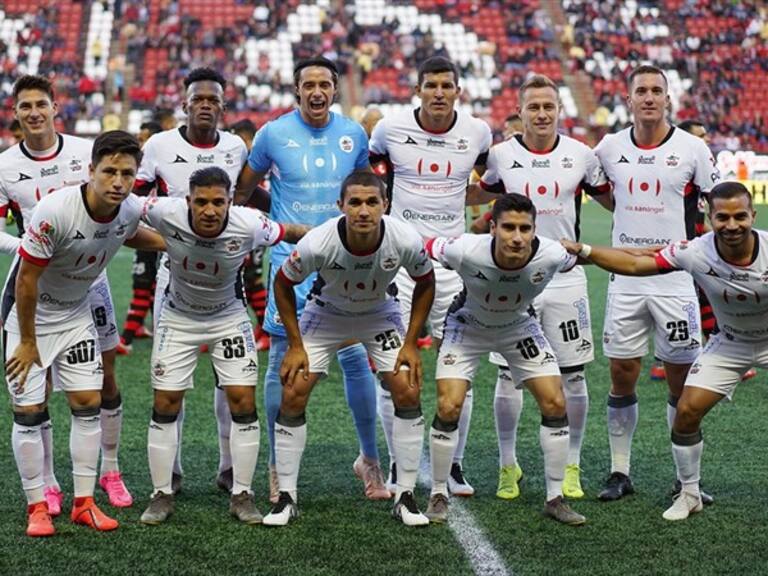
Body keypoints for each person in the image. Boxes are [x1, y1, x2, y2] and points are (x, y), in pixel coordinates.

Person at [561, 181, 766, 521]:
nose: (732, 226)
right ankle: (689, 493)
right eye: (723, 217)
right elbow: (636, 265)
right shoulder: (696, 250)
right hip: (730, 342)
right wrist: (583, 250)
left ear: (752, 215)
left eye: (740, 217)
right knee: (686, 413)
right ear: (709, 215)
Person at [236, 57, 388, 502]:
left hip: (347, 266)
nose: (317, 91)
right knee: (283, 361)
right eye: (309, 85)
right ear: (296, 90)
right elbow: (245, 191)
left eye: (325, 84)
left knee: (357, 361)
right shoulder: (272, 134)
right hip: (292, 264)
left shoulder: (353, 134)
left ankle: (369, 460)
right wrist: (262, 236)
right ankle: (277, 467)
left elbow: (363, 190)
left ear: (335, 89)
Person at [3, 130, 164, 537]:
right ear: (90, 171)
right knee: (29, 410)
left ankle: (84, 503)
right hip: (31, 316)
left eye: (127, 174)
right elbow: (25, 280)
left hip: (76, 315)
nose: (118, 182)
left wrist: (175, 246)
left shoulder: (127, 210)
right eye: (109, 171)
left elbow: (128, 233)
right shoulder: (54, 210)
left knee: (88, 402)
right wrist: (26, 341)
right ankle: (37, 505)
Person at [262, 172, 435, 527]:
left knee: (407, 387)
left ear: (385, 205)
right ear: (340, 205)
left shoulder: (403, 238)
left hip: (379, 313)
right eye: (354, 202)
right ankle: (286, 498)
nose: (363, 210)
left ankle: (405, 495)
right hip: (327, 314)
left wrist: (411, 343)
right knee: (293, 390)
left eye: (372, 202)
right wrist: (295, 344)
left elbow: (426, 282)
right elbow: (282, 283)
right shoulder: (318, 241)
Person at [137, 167, 306, 526]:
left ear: (230, 201)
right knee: (165, 403)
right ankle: (161, 494)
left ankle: (241, 493)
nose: (210, 210)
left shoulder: (249, 223)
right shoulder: (163, 212)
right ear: (188, 201)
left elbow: (291, 232)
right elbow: (117, 210)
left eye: (218, 202)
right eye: (201, 202)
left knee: (242, 401)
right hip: (177, 317)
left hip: (228, 317)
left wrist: (342, 233)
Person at [470, 74, 611, 500]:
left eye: (549, 106)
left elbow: (613, 201)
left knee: (573, 376)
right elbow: (480, 200)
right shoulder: (500, 156)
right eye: (534, 107)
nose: (542, 114)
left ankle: (572, 464)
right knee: (509, 376)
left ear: (559, 109)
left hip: (566, 279)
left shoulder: (581, 156)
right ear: (520, 110)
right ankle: (507, 465)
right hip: (512, 283)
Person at [0, 75, 135, 514]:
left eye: (42, 104)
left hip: (92, 285)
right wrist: (19, 246)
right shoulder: (4, 167)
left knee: (104, 381)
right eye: (25, 106)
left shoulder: (86, 152)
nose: (34, 113)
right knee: (38, 386)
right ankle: (50, 484)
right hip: (37, 279)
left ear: (56, 108)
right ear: (15, 112)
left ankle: (109, 471)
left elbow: (124, 209)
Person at [592, 64, 721, 501]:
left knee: (682, 381)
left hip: (675, 277)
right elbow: (600, 191)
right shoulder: (609, 147)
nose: (649, 97)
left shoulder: (693, 148)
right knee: (622, 372)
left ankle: (687, 481)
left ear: (669, 99)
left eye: (656, 91)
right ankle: (619, 472)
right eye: (641, 91)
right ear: (628, 100)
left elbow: (715, 202)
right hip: (625, 277)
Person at [369, 55, 492, 496]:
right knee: (390, 367)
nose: (439, 92)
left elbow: (488, 183)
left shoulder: (478, 132)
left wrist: (465, 200)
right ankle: (396, 465)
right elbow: (373, 178)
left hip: (453, 266)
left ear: (458, 90)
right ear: (417, 89)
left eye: (447, 85)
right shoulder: (389, 128)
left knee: (459, 365)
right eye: (431, 85)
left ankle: (454, 465)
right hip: (398, 265)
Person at [423, 193, 586, 526]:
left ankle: (555, 498)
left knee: (555, 403)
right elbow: (422, 247)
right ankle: (438, 492)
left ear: (534, 229)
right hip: (466, 327)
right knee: (449, 406)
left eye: (525, 228)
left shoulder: (551, 253)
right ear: (492, 227)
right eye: (508, 227)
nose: (517, 236)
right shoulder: (464, 248)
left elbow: (589, 259)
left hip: (517, 326)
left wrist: (641, 257)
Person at [133, 67, 249, 494]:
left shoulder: (236, 147)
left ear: (222, 106)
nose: (205, 105)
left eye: (213, 100)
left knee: (229, 380)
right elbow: (134, 196)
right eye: (198, 98)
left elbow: (248, 199)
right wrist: (165, 241)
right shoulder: (160, 145)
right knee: (169, 384)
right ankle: (173, 472)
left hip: (226, 280)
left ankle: (228, 468)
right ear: (184, 104)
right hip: (174, 279)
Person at [116, 120, 164, 356]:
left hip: (153, 233)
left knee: (144, 284)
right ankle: (150, 329)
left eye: (144, 137)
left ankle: (125, 338)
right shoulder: (138, 166)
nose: (141, 141)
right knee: (147, 284)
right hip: (142, 230)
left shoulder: (155, 163)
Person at [229, 118, 270, 351]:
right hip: (239, 223)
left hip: (255, 224)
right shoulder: (236, 157)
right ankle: (259, 327)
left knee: (253, 277)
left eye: (241, 137)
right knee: (243, 277)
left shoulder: (255, 157)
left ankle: (267, 330)